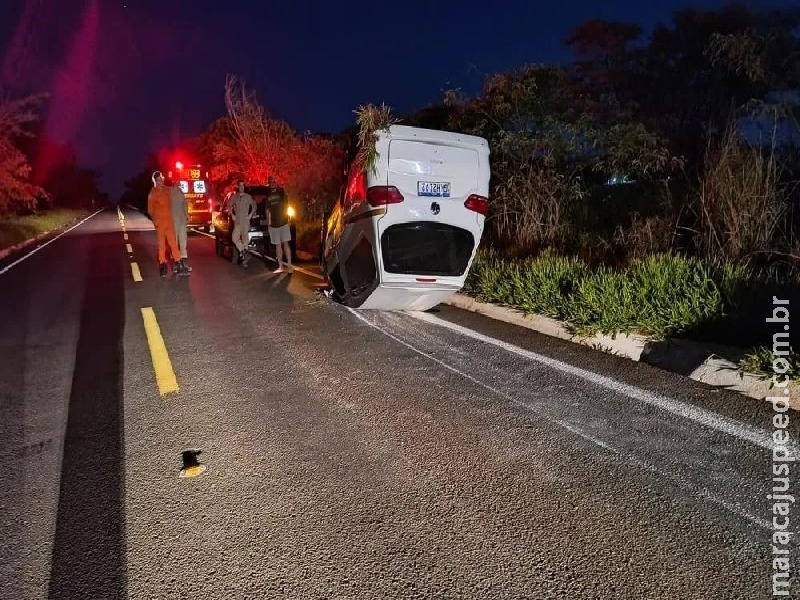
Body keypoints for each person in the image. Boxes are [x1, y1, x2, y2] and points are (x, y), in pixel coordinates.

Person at [147, 171, 185, 277]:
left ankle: (178, 262)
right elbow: (150, 210)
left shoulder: (167, 190)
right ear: (156, 180)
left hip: (169, 222)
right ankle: (163, 265)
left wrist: (176, 181)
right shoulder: (153, 193)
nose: (162, 179)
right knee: (161, 245)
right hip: (160, 223)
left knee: (173, 243)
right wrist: (156, 222)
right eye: (160, 178)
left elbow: (175, 189)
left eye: (162, 178)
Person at [265, 175, 292, 273]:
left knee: (285, 243)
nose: (272, 184)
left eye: (274, 182)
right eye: (271, 182)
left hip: (284, 222)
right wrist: (268, 224)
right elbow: (267, 211)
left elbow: (287, 205)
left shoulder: (281, 192)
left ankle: (289, 266)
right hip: (274, 225)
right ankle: (280, 266)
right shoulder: (268, 196)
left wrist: (289, 219)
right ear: (269, 184)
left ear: (276, 182)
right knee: (277, 245)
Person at [167, 177, 191, 273]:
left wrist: (187, 215)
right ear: (173, 182)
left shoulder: (181, 192)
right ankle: (175, 264)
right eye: (178, 180)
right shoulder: (168, 191)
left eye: (180, 181)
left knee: (183, 242)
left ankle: (184, 262)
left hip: (182, 221)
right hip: (173, 221)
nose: (179, 182)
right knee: (174, 242)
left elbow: (184, 205)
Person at [230, 179, 256, 268]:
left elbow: (254, 206)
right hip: (237, 222)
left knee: (245, 240)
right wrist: (232, 214)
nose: (241, 187)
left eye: (243, 185)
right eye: (240, 185)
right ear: (238, 186)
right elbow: (229, 205)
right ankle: (244, 252)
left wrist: (250, 215)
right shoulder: (234, 197)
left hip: (245, 221)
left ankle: (245, 261)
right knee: (234, 238)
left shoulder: (248, 197)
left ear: (244, 186)